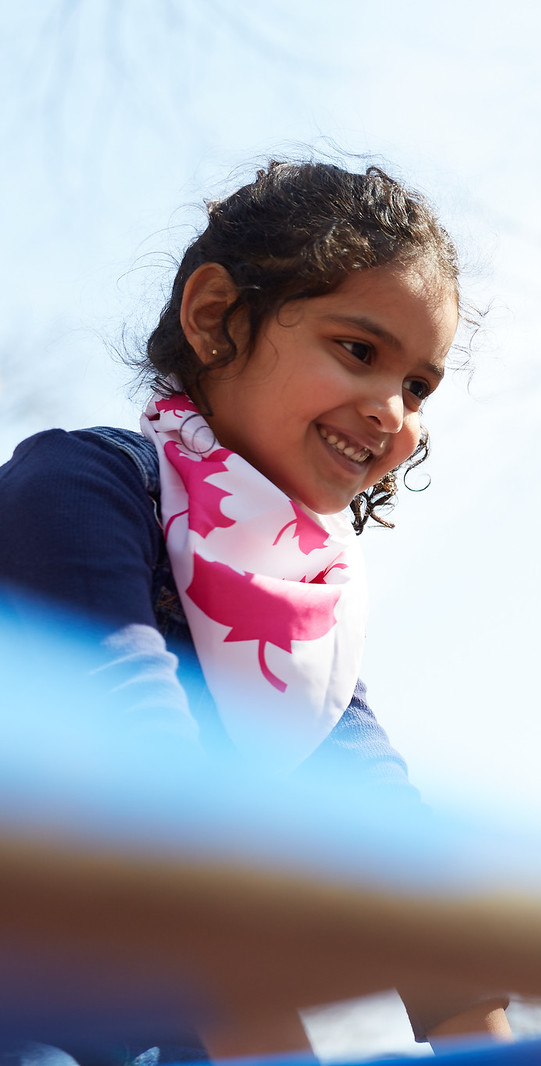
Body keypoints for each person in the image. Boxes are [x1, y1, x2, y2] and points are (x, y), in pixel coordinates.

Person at [0, 161, 507, 1060]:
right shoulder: (79, 488)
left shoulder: (295, 618)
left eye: (420, 387)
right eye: (359, 349)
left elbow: (397, 856)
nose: (393, 411)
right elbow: (149, 803)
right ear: (215, 318)